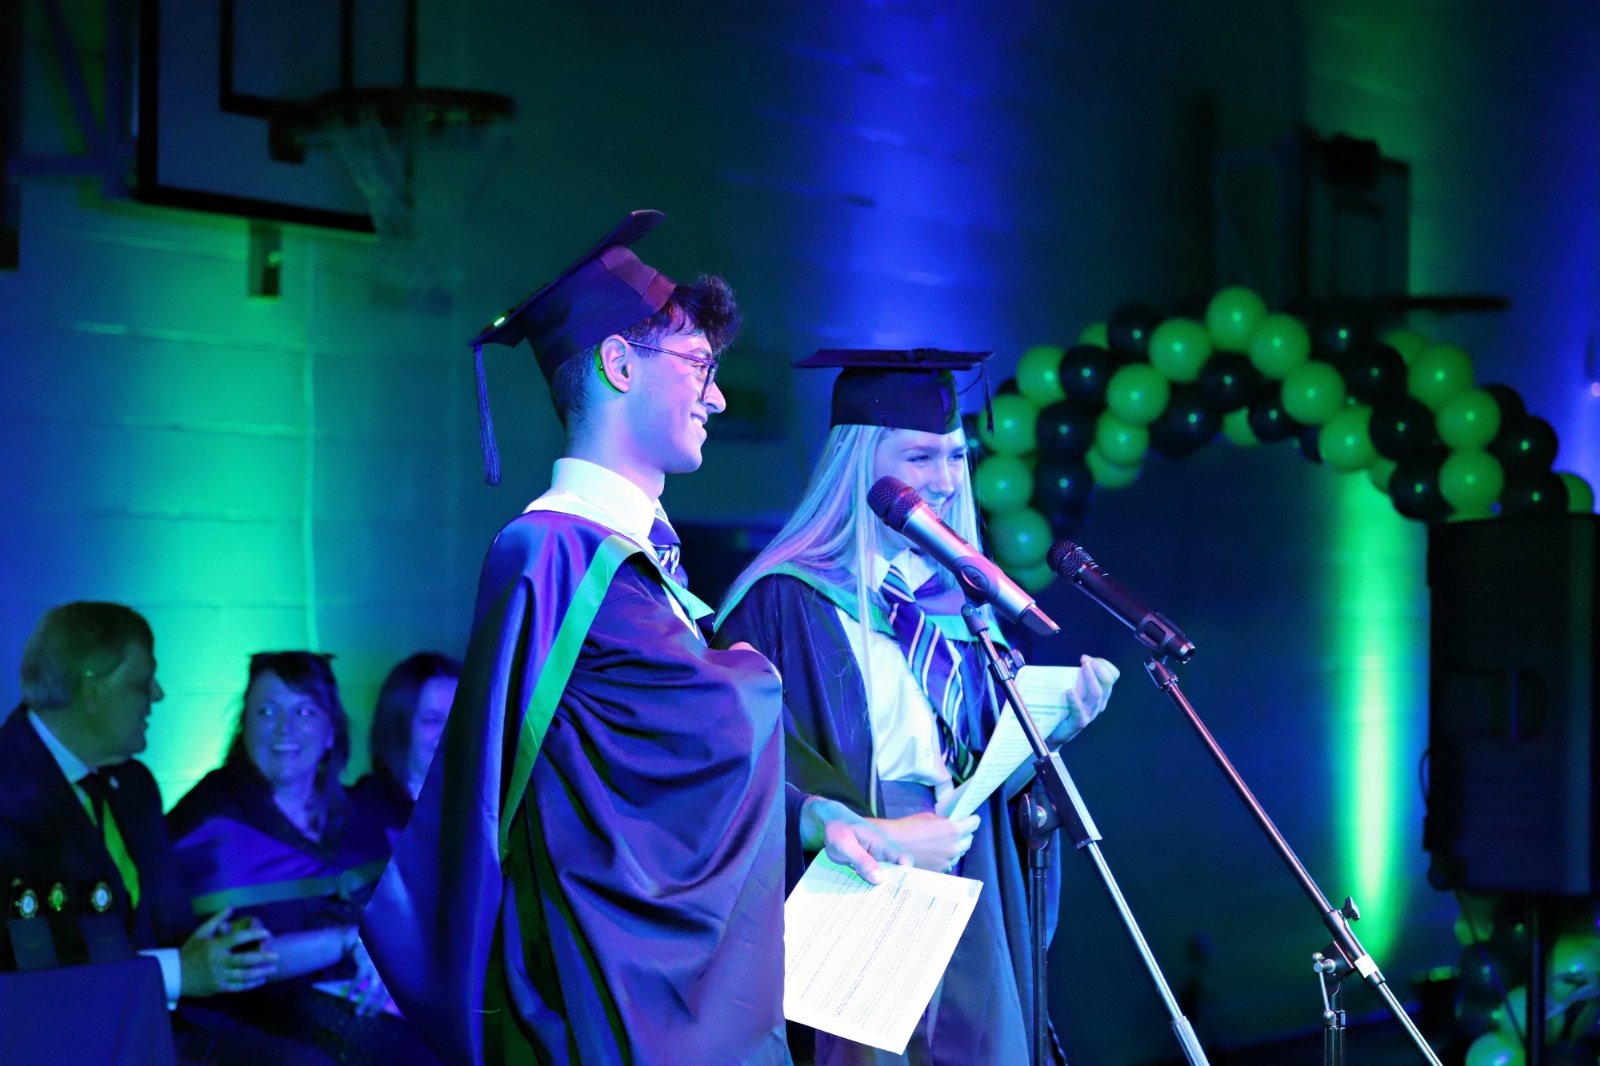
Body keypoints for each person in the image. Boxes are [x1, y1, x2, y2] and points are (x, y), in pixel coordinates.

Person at [362, 211, 907, 1066]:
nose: (717, 397)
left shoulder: (633, 565)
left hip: (653, 983)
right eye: (699, 365)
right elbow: (716, 721)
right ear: (619, 365)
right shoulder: (553, 552)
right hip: (608, 995)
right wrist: (753, 667)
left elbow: (659, 773)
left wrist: (812, 816)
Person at [716, 349, 1122, 1066]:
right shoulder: (784, 600)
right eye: (919, 456)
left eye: (956, 456)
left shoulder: (964, 603)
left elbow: (978, 769)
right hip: (858, 867)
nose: (944, 479)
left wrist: (1051, 733)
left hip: (966, 859)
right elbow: (742, 771)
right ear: (860, 462)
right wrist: (865, 827)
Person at [0, 602, 329, 1066]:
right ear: (92, 690)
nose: (157, 695)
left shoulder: (133, 785)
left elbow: (169, 924)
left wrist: (224, 945)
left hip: (162, 1026)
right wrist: (180, 974)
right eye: (141, 682)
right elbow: (34, 976)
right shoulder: (10, 792)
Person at [167, 651, 438, 1066]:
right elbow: (226, 960)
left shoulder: (366, 811)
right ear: (244, 727)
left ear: (331, 732)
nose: (284, 728)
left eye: (305, 711)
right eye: (266, 711)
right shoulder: (202, 826)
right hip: (262, 1029)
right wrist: (346, 941)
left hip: (378, 1003)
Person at [349, 652, 461, 842]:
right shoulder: (364, 814)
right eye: (432, 720)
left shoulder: (490, 805)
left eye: (459, 716)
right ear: (398, 728)